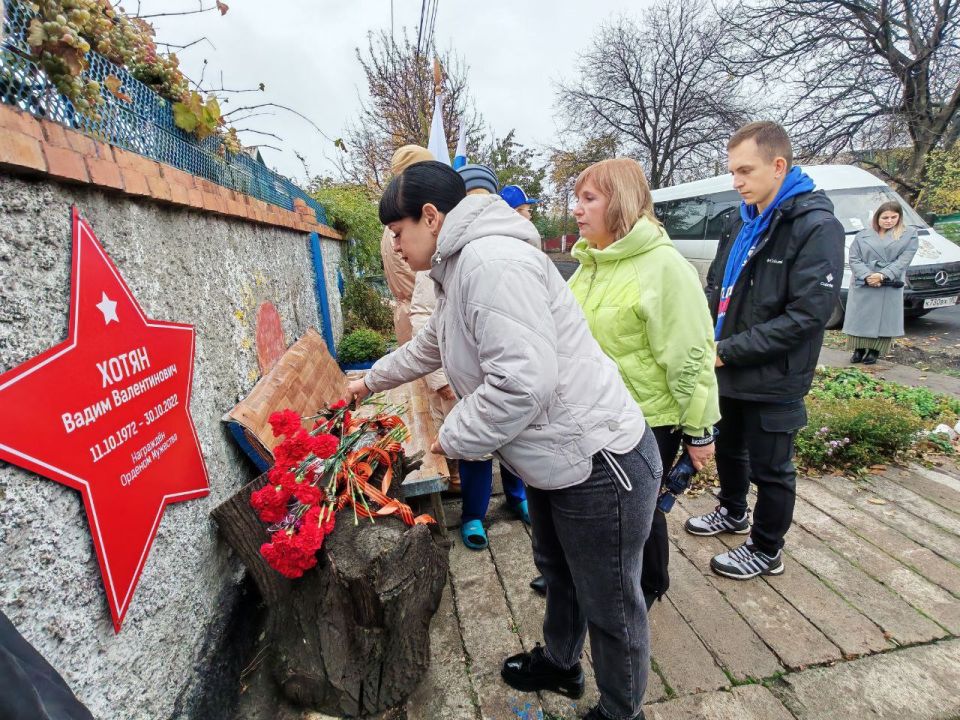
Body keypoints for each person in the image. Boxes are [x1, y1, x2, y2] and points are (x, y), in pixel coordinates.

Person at [346, 161, 661, 720]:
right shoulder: (457, 265)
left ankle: (621, 711)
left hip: (598, 460)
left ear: (431, 216)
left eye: (398, 232)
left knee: (611, 603)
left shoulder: (491, 264)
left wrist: (451, 437)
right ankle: (561, 664)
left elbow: (523, 384)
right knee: (559, 572)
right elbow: (433, 345)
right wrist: (367, 383)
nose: (394, 246)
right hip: (553, 455)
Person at [540, 157, 719, 609]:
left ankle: (648, 584)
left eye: (589, 199)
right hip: (593, 413)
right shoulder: (592, 263)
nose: (577, 209)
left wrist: (699, 431)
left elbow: (692, 357)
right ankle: (586, 576)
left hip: (646, 418)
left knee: (639, 509)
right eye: (577, 199)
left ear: (620, 202)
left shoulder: (664, 267)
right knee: (601, 504)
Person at [686, 121, 844, 580]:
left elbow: (808, 315)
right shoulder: (740, 219)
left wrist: (729, 350)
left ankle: (766, 548)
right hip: (729, 362)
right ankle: (732, 511)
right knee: (730, 448)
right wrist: (704, 333)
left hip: (775, 375)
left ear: (778, 166)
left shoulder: (816, 226)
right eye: (732, 171)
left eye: (745, 171)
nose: (736, 182)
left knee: (772, 469)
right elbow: (717, 286)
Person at [409, 162, 530, 549]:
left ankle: (518, 497)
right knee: (476, 449)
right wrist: (440, 378)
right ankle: (474, 514)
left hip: (502, 373)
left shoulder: (507, 247)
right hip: (463, 376)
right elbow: (425, 320)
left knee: (514, 438)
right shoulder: (438, 255)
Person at [842, 201, 919, 365]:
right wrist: (867, 276)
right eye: (885, 217)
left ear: (899, 217)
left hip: (889, 283)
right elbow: (854, 258)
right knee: (860, 317)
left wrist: (882, 275)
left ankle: (875, 351)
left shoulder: (909, 234)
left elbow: (904, 260)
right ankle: (858, 349)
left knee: (884, 320)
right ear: (877, 217)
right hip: (864, 282)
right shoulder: (862, 235)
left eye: (893, 217)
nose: (889, 221)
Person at [379, 145, 434, 345]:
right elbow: (427, 287)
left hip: (407, 316)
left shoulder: (393, 226)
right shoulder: (412, 225)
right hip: (422, 320)